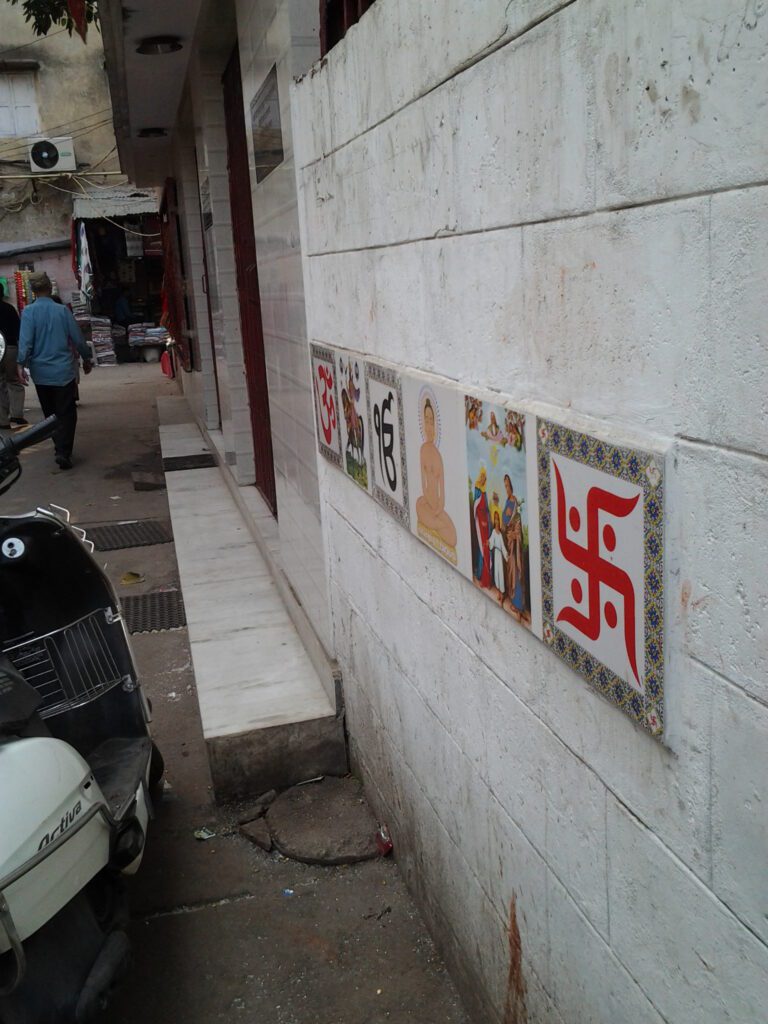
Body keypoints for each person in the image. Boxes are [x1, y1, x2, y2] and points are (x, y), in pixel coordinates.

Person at [18, 272, 92, 469]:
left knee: (50, 414)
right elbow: (77, 338)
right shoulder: (62, 311)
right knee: (67, 412)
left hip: (41, 374)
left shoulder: (28, 312)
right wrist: (87, 358)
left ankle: (59, 446)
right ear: (49, 289)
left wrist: (20, 365)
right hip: (63, 372)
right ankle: (63, 450)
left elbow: (25, 343)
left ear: (33, 291)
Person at [416, 398, 457, 550]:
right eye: (426, 421)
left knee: (453, 538)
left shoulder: (438, 456)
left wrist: (438, 509)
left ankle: (435, 524)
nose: (428, 427)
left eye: (431, 422)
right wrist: (427, 499)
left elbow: (443, 493)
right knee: (418, 505)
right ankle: (435, 524)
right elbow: (423, 483)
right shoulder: (423, 450)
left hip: (437, 507)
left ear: (435, 425)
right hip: (426, 502)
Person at [0, 281, 27, 428]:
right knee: (14, 381)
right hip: (10, 348)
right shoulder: (9, 309)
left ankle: (2, 420)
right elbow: (19, 331)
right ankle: (17, 415)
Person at [489, 510, 509, 605]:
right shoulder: (493, 532)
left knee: (500, 574)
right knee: (496, 574)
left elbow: (503, 547)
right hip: (496, 554)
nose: (496, 521)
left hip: (500, 556)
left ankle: (502, 594)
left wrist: (506, 555)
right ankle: (498, 593)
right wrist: (489, 543)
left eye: (498, 519)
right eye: (495, 519)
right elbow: (491, 543)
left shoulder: (500, 534)